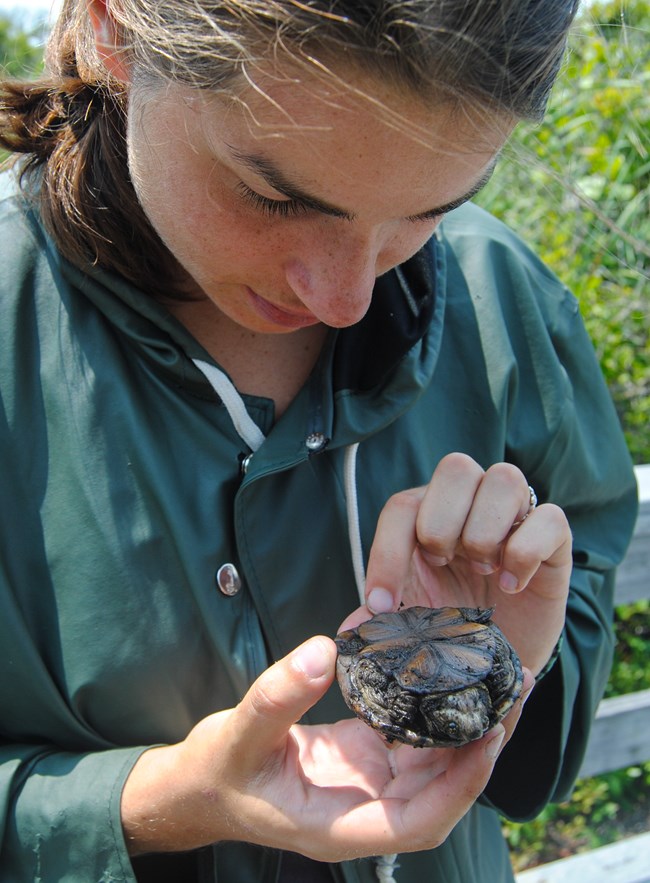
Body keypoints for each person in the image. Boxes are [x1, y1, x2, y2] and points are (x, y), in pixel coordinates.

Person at [0, 0, 639, 881]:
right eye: (275, 194)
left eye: (433, 207)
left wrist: (507, 666)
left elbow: (591, 569)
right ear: (114, 31)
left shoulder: (499, 293)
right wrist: (151, 805)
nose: (345, 299)